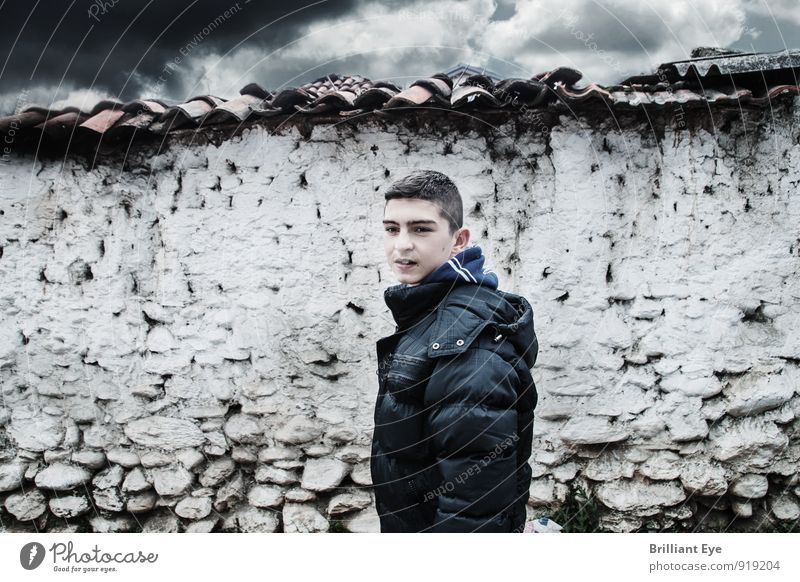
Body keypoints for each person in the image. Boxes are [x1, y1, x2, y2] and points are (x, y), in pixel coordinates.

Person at [370, 169, 539, 533]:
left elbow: (472, 511)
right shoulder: (432, 316)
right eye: (391, 229)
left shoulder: (465, 344)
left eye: (421, 229)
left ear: (458, 240)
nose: (401, 244)